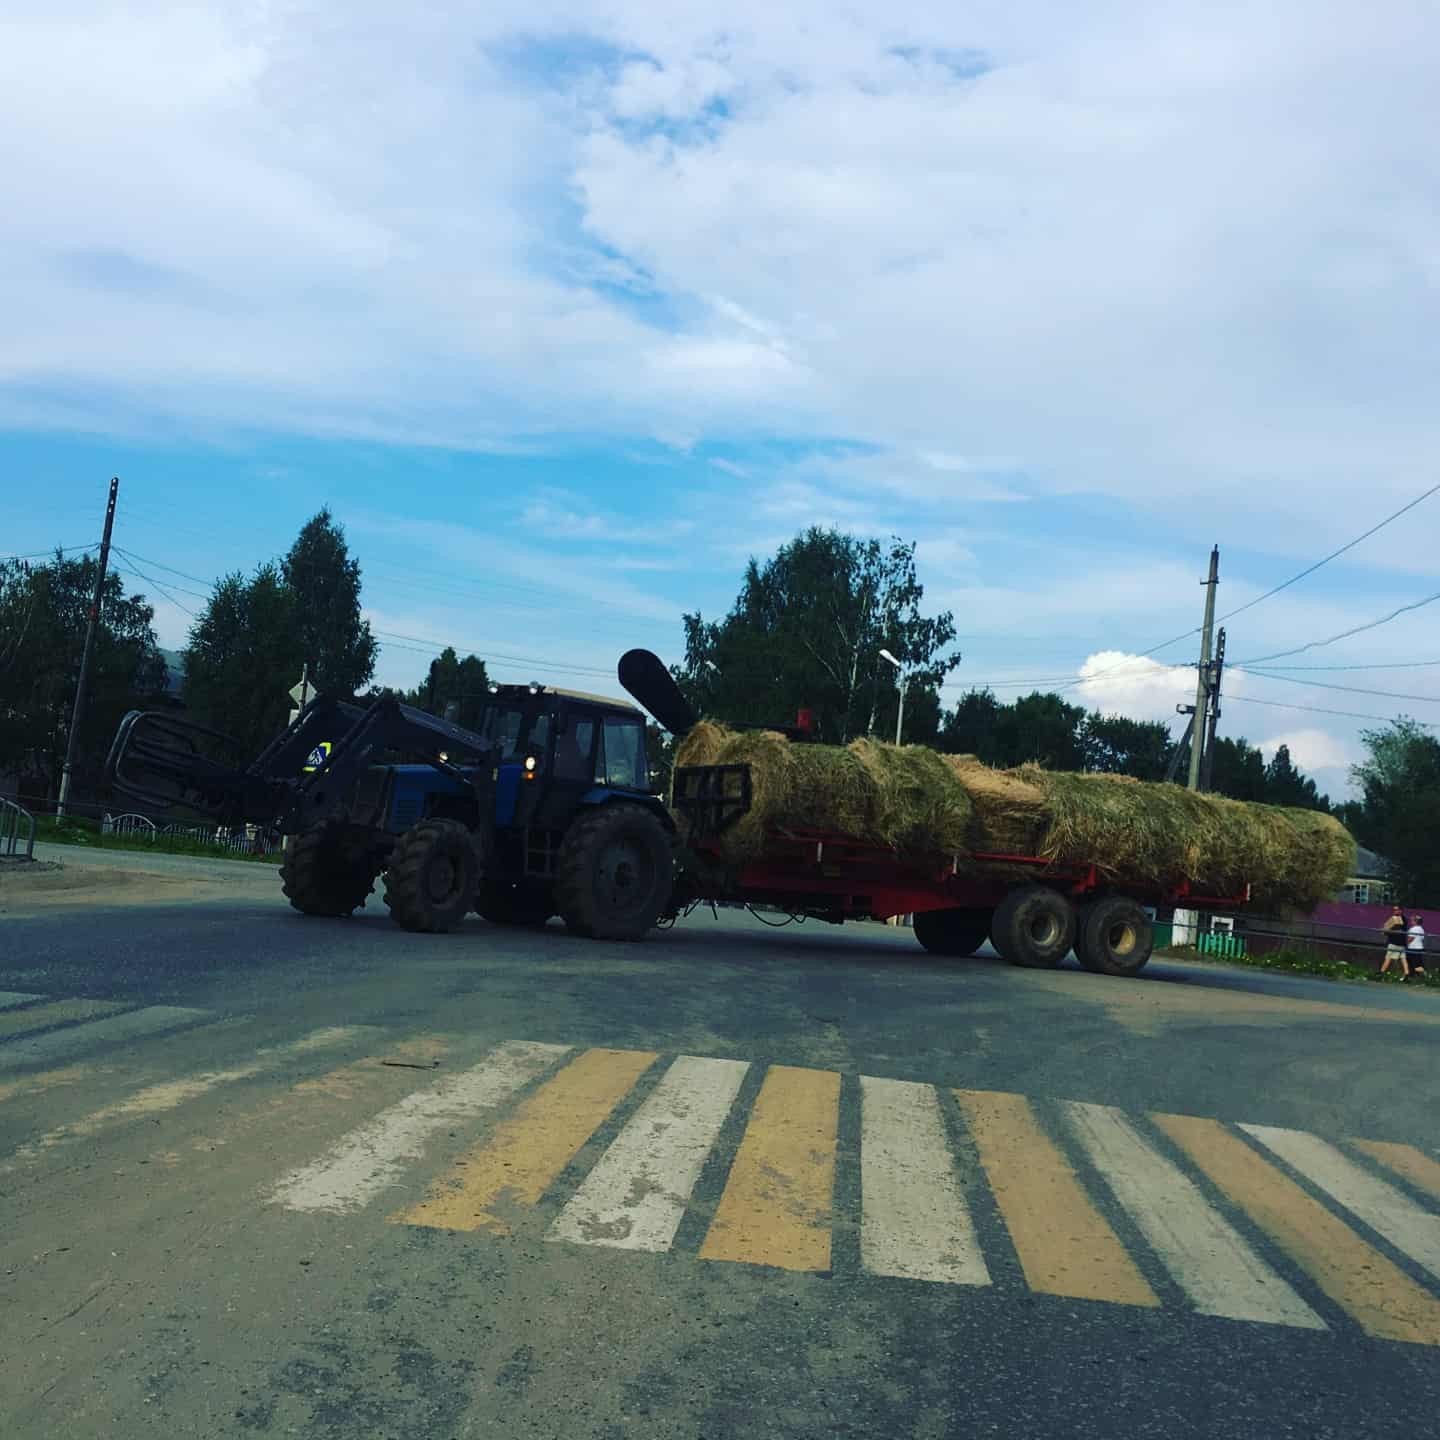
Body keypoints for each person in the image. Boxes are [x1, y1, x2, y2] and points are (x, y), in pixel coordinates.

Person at [1380, 905, 1409, 980]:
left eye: (1397, 909)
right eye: (1394, 909)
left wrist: (1386, 931)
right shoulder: (1405, 919)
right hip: (1401, 943)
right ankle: (1406, 973)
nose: (1395, 911)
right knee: (1403, 958)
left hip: (1394, 942)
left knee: (1388, 958)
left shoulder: (1397, 919)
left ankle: (1381, 973)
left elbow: (1396, 930)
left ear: (1401, 910)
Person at [1407, 914, 1427, 981]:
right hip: (1419, 948)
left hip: (1413, 948)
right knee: (1417, 963)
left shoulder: (1413, 929)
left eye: (1412, 920)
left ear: (1415, 921)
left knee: (1414, 964)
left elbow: (1410, 938)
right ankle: (1415, 976)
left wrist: (1405, 944)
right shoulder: (1421, 929)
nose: (1411, 921)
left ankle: (1425, 974)